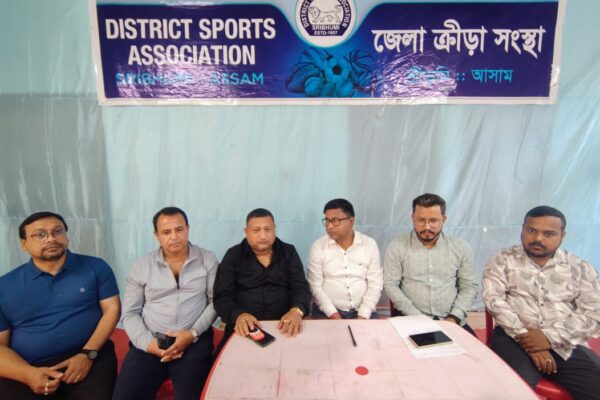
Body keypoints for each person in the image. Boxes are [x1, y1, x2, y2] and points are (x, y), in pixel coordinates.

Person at [483, 205, 600, 399]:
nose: (538, 238)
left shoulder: (580, 267)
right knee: (510, 391)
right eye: (531, 230)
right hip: (513, 335)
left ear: (562, 236)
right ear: (522, 229)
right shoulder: (502, 260)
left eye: (549, 234)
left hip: (566, 340)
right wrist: (530, 341)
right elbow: (494, 300)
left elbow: (594, 312)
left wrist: (548, 338)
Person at [0, 211, 121, 399]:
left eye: (57, 231)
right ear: (24, 244)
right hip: (26, 365)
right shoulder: (5, 285)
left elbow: (112, 309)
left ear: (66, 236)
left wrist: (87, 354)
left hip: (87, 353)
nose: (50, 239)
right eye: (40, 234)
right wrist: (28, 374)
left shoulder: (95, 267)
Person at [112, 207, 218, 400]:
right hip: (152, 339)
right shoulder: (141, 266)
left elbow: (215, 302)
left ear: (188, 229)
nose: (174, 237)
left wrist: (192, 333)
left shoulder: (207, 259)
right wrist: (149, 344)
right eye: (166, 232)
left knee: (190, 395)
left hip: (194, 339)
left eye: (179, 229)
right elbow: (130, 313)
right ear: (157, 235)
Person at [213, 208, 311, 348]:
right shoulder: (233, 255)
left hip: (284, 326)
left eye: (267, 229)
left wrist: (297, 310)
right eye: (256, 230)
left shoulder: (288, 252)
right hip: (244, 327)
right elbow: (222, 296)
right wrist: (238, 315)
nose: (263, 236)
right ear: (246, 231)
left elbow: (300, 287)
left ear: (274, 229)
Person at [383, 193, 478, 333]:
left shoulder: (460, 248)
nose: (427, 227)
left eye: (433, 220)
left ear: (444, 219)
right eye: (420, 220)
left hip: (452, 320)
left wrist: (454, 317)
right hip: (410, 320)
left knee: (472, 348)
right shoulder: (397, 247)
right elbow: (391, 285)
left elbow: (469, 286)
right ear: (412, 218)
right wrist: (418, 318)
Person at [307, 198, 383, 319]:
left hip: (363, 310)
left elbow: (375, 284)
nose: (329, 226)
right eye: (327, 221)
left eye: (335, 221)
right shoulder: (318, 247)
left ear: (351, 221)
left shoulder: (369, 245)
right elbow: (315, 286)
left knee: (372, 332)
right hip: (327, 312)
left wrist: (363, 315)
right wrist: (333, 315)